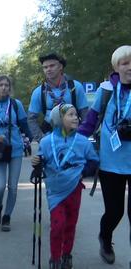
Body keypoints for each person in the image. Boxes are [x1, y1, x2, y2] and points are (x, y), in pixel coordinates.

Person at [78, 45, 131, 265]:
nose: (129, 67)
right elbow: (89, 123)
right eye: (124, 63)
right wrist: (70, 146)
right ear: (116, 67)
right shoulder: (107, 90)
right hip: (111, 163)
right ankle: (105, 237)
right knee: (115, 211)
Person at [32, 104, 99, 269]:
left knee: (70, 224)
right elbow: (41, 160)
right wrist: (37, 163)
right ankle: (55, 258)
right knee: (58, 225)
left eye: (76, 114)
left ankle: (66, 255)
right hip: (55, 191)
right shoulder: (47, 142)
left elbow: (94, 161)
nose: (76, 117)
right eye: (70, 115)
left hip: (74, 189)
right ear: (59, 119)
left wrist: (82, 172)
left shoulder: (83, 142)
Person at [0, 75, 33, 231]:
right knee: (0, 186)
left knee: (13, 187)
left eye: (6, 85)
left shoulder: (16, 105)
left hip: (15, 149)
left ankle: (7, 216)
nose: (4, 88)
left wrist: (33, 140)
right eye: (0, 85)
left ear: (10, 88)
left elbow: (24, 125)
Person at [27, 53, 88, 142]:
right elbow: (31, 118)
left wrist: (82, 136)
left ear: (60, 67)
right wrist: (41, 139)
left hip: (74, 136)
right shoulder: (38, 92)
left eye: (52, 66)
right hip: (49, 136)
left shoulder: (75, 87)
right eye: (45, 67)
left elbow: (85, 114)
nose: (48, 69)